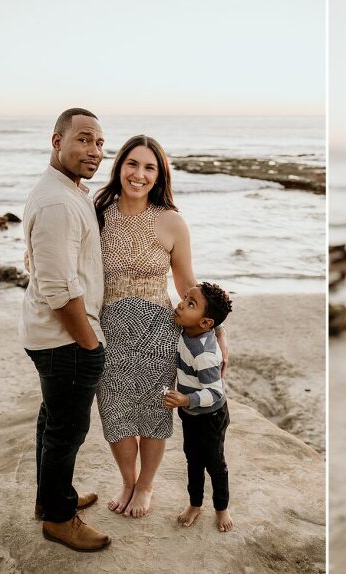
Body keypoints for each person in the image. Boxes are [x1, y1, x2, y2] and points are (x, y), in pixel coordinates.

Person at [93, 135, 228, 518]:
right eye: (132, 164)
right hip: (110, 331)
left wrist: (217, 333)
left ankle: (146, 485)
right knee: (114, 411)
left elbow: (187, 285)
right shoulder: (97, 212)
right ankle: (128, 481)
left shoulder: (171, 221)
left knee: (154, 412)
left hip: (159, 332)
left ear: (159, 175)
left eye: (149, 167)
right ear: (120, 166)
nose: (139, 174)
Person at [21, 108, 111, 552]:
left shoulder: (67, 191)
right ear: (57, 141)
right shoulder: (58, 202)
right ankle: (59, 518)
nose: (94, 150)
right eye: (84, 139)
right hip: (66, 339)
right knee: (66, 430)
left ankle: (50, 498)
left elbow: (43, 264)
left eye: (99, 142)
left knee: (52, 422)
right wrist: (89, 344)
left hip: (54, 336)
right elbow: (59, 289)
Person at [164, 281, 234, 532]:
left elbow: (214, 392)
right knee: (193, 460)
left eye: (191, 304)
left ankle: (221, 508)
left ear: (205, 323)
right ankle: (195, 503)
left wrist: (186, 400)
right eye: (185, 298)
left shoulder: (205, 354)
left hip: (211, 416)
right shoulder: (186, 328)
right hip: (191, 415)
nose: (181, 304)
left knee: (215, 465)